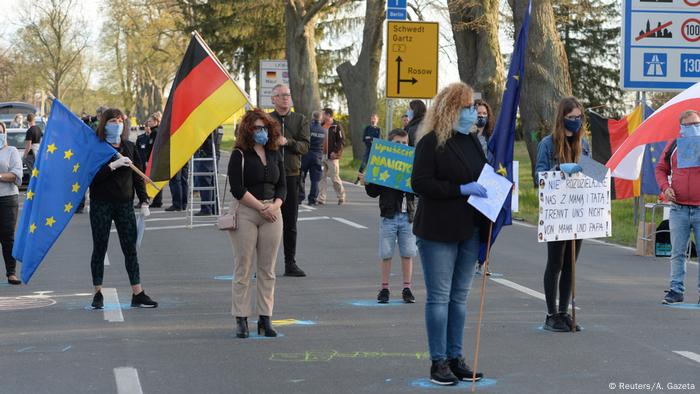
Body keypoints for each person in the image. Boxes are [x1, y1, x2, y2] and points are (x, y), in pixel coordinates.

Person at [411, 82, 486, 385]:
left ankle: (456, 357)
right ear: (452, 109)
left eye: (473, 108)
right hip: (437, 230)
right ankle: (438, 361)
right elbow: (420, 183)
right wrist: (459, 190)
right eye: (467, 107)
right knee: (439, 299)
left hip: (468, 228)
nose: (473, 113)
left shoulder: (471, 142)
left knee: (459, 298)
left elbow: (481, 176)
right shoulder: (430, 142)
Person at [89, 108, 157, 309]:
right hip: (101, 203)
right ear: (104, 123)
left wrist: (144, 201)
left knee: (130, 248)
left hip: (124, 203)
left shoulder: (129, 146)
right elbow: (92, 178)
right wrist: (113, 165)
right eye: (112, 120)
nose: (117, 123)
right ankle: (98, 292)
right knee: (100, 247)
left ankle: (138, 292)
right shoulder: (98, 148)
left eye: (120, 120)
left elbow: (137, 176)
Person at [227, 109, 286, 338]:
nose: (260, 132)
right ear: (247, 130)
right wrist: (260, 207)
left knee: (267, 268)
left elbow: (283, 185)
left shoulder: (274, 153)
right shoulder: (239, 154)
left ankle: (265, 317)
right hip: (247, 211)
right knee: (243, 266)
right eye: (256, 128)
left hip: (273, 211)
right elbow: (237, 188)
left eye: (263, 128)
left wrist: (275, 205)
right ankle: (241, 318)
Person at [535, 96, 591, 332]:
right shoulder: (548, 144)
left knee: (571, 263)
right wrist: (557, 170)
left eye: (578, 117)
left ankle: (564, 311)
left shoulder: (583, 143)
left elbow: (590, 171)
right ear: (562, 118)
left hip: (577, 211)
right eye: (571, 118)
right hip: (556, 212)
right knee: (556, 262)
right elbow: (538, 176)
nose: (575, 122)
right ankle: (551, 313)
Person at [362, 128, 416, 304]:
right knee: (386, 253)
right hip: (389, 215)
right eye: (397, 143)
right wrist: (369, 182)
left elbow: (419, 189)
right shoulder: (384, 166)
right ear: (389, 145)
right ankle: (384, 288)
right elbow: (374, 192)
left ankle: (407, 287)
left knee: (408, 252)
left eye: (404, 143)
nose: (401, 146)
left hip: (407, 215)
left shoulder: (411, 164)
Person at [655, 109, 700, 305]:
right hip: (679, 208)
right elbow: (660, 169)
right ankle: (675, 290)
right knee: (677, 251)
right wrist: (665, 188)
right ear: (681, 127)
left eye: (698, 124)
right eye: (690, 125)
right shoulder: (673, 144)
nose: (695, 128)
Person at [270, 84, 310, 277]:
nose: (285, 98)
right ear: (273, 99)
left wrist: (288, 142)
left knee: (290, 222)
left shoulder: (300, 119)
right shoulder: (267, 119)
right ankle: (264, 265)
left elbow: (305, 146)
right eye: (281, 95)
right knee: (266, 221)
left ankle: (290, 262)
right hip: (269, 177)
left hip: (291, 175)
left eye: (287, 94)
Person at [472, 99, 495, 276]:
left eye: (484, 114)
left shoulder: (492, 138)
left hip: (488, 187)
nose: (481, 117)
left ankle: (483, 260)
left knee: (487, 227)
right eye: (478, 114)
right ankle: (470, 259)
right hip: (471, 186)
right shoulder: (466, 136)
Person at [0, 123, 23, 285]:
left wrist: (0, 176)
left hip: (7, 198)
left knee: (8, 237)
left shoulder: (11, 151)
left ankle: (11, 272)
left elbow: (16, 175)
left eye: (0, 132)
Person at [318, 107, 346, 205]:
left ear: (328, 115)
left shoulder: (336, 126)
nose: (321, 116)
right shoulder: (321, 125)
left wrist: (336, 152)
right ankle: (321, 198)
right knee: (321, 177)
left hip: (332, 157)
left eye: (323, 114)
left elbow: (341, 141)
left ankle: (341, 196)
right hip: (322, 156)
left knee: (335, 178)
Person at [135, 113, 162, 208]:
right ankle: (154, 200)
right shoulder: (142, 137)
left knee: (152, 180)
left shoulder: (155, 132)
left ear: (156, 121)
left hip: (153, 160)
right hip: (148, 160)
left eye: (150, 121)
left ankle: (156, 201)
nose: (148, 124)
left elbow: (152, 148)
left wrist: (149, 160)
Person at [299, 111, 325, 205]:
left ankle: (300, 197)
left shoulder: (309, 127)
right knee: (315, 179)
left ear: (312, 117)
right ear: (320, 118)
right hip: (317, 156)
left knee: (301, 176)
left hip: (306, 154)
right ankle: (312, 199)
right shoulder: (323, 130)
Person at [193, 131, 218, 216]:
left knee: (205, 181)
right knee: (211, 182)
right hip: (213, 154)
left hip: (207, 154)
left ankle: (206, 208)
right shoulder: (218, 125)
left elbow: (208, 141)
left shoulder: (211, 126)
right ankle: (214, 208)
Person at [356, 114, 382, 183]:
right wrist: (371, 139)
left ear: (377, 120)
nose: (373, 120)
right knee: (363, 164)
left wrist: (370, 138)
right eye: (372, 118)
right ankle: (358, 179)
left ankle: (372, 181)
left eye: (374, 119)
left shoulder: (378, 129)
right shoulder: (367, 128)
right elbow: (364, 138)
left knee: (373, 166)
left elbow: (378, 139)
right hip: (368, 148)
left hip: (375, 150)